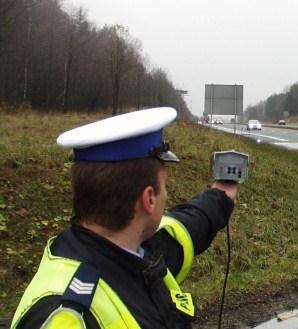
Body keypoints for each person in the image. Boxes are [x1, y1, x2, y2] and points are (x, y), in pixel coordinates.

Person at [10, 107, 237, 329]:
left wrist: (220, 197)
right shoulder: (67, 316)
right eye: (164, 187)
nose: (165, 196)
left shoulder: (132, 251)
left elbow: (183, 228)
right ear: (149, 199)